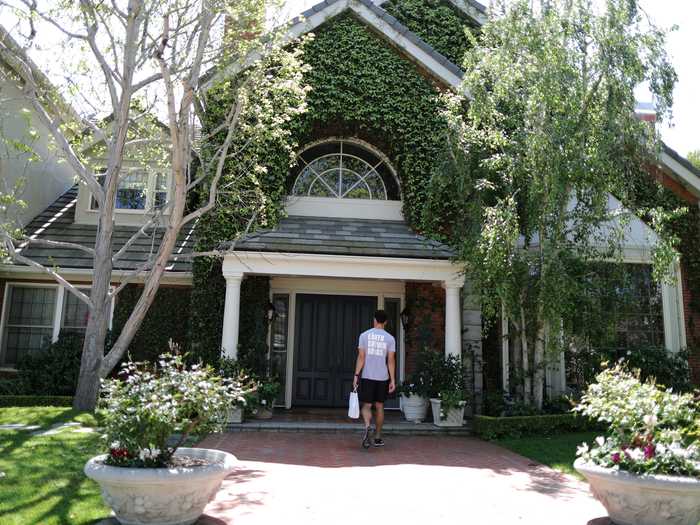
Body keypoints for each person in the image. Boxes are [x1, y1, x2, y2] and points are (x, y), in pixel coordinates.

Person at [353, 309, 396, 448]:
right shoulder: (390, 338)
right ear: (386, 322)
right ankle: (377, 437)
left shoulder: (364, 335)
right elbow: (391, 360)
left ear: (374, 320)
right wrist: (392, 380)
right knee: (379, 406)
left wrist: (356, 375)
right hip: (382, 377)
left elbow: (361, 357)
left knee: (366, 406)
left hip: (367, 376)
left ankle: (367, 426)